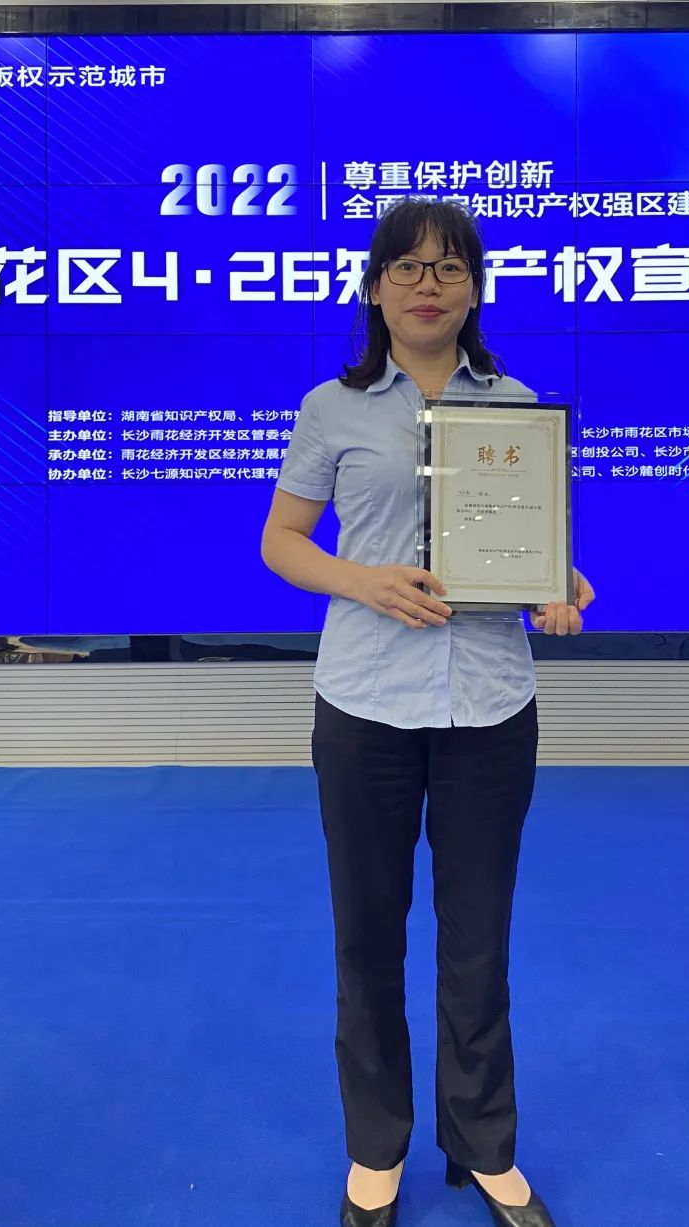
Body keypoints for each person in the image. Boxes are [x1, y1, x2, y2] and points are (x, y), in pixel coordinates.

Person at [261, 199, 594, 1227]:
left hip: (490, 706)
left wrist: (561, 586)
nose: (427, 285)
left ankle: (484, 1144)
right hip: (365, 703)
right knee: (367, 938)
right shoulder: (333, 407)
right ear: (374, 289)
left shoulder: (517, 404)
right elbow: (282, 541)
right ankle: (376, 1149)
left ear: (474, 289)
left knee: (477, 940)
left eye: (449, 268)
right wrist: (362, 581)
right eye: (405, 267)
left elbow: (533, 549)